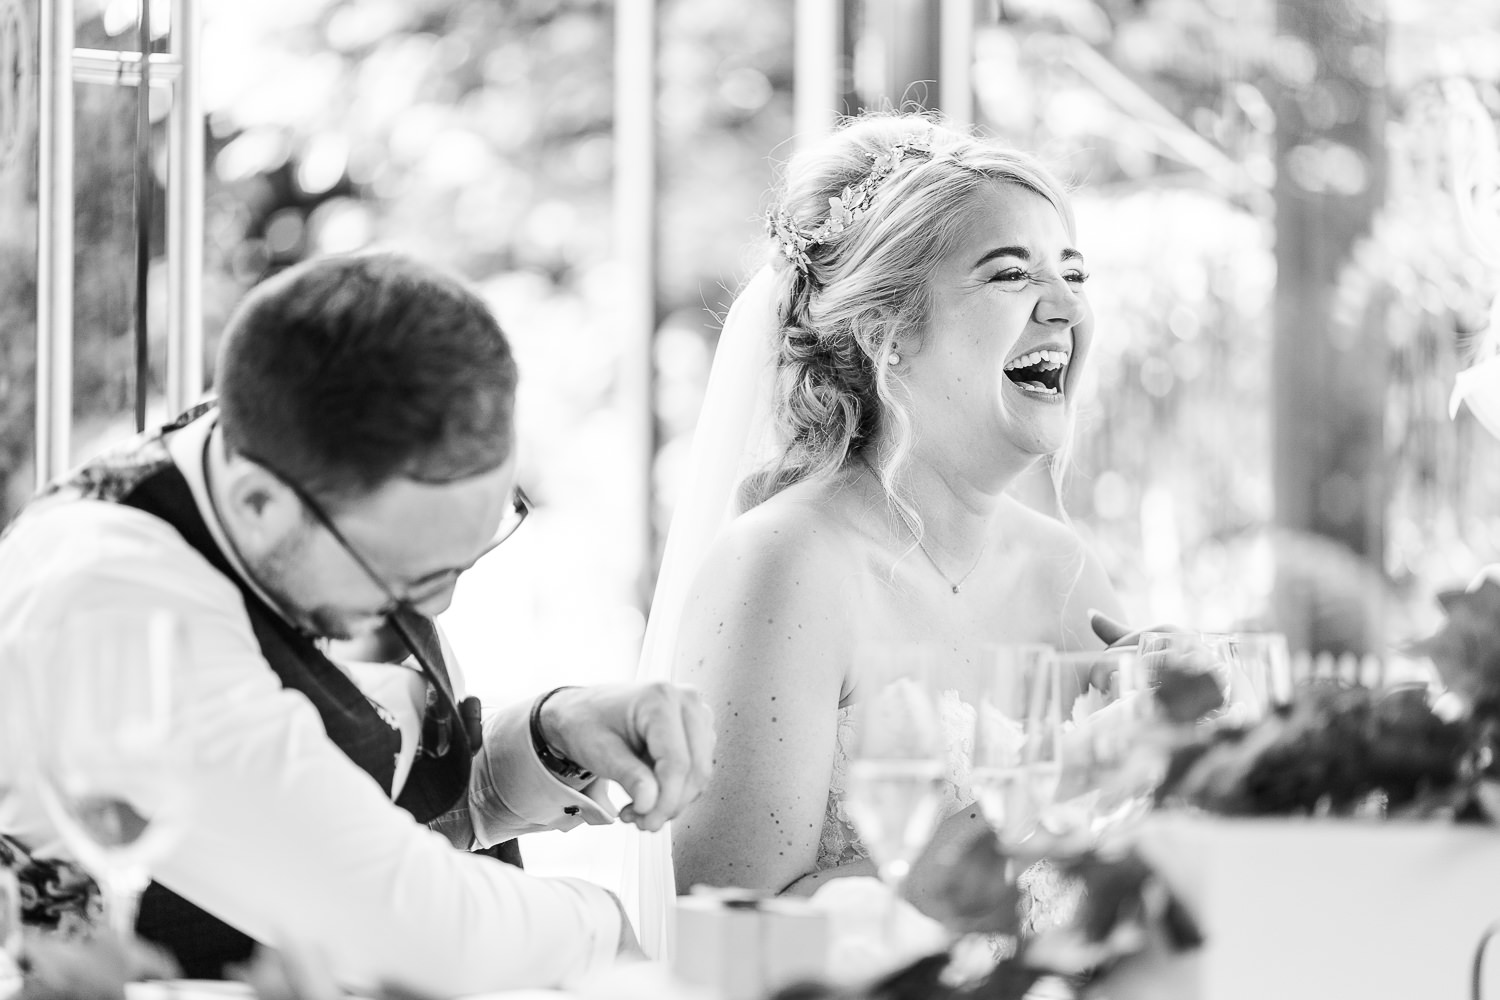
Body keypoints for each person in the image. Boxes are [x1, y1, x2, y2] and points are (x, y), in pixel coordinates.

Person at [0, 253, 713, 995]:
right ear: (257, 503)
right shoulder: (119, 612)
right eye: (406, 578)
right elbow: (415, 928)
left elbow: (342, 796)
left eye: (468, 556)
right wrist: (604, 932)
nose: (437, 609)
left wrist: (546, 739)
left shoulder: (278, 495)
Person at [634, 113, 1128, 926]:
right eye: (1011, 276)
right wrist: (1054, 789)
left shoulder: (1067, 573)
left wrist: (1187, 741)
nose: (1066, 308)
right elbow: (736, 927)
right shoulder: (785, 565)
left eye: (1074, 275)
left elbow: (1117, 888)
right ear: (886, 334)